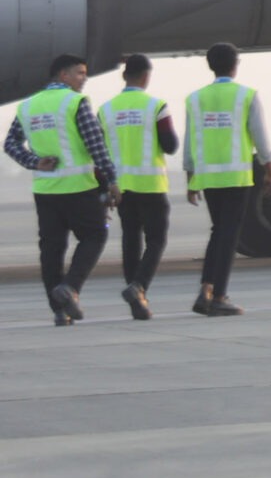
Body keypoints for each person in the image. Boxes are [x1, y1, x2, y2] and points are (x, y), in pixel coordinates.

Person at [6, 52, 117, 325]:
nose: (85, 78)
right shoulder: (75, 102)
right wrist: (112, 180)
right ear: (63, 75)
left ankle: (59, 310)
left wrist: (35, 162)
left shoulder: (28, 106)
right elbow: (95, 144)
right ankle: (71, 287)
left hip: (46, 191)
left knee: (51, 250)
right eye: (80, 73)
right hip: (79, 187)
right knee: (95, 236)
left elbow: (10, 144)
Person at [183, 45, 271, 318]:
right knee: (228, 236)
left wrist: (190, 176)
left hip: (208, 176)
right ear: (235, 65)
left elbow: (190, 140)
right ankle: (219, 295)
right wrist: (269, 169)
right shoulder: (246, 95)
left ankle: (206, 289)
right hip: (236, 176)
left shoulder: (195, 99)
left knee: (218, 232)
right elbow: (260, 135)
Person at [103, 53, 180, 319]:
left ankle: (137, 302)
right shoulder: (156, 106)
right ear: (147, 76)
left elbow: (99, 151)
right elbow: (170, 146)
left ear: (124, 76)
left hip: (121, 186)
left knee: (130, 239)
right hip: (150, 184)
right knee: (157, 240)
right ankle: (139, 287)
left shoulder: (106, 109)